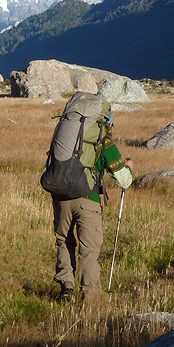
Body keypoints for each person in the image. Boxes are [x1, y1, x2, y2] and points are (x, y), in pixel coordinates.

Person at [52, 113, 133, 302]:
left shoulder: (67, 136)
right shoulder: (103, 142)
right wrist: (128, 167)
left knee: (64, 241)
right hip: (88, 199)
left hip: (60, 198)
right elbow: (124, 180)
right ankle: (89, 296)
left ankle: (66, 287)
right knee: (89, 249)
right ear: (108, 122)